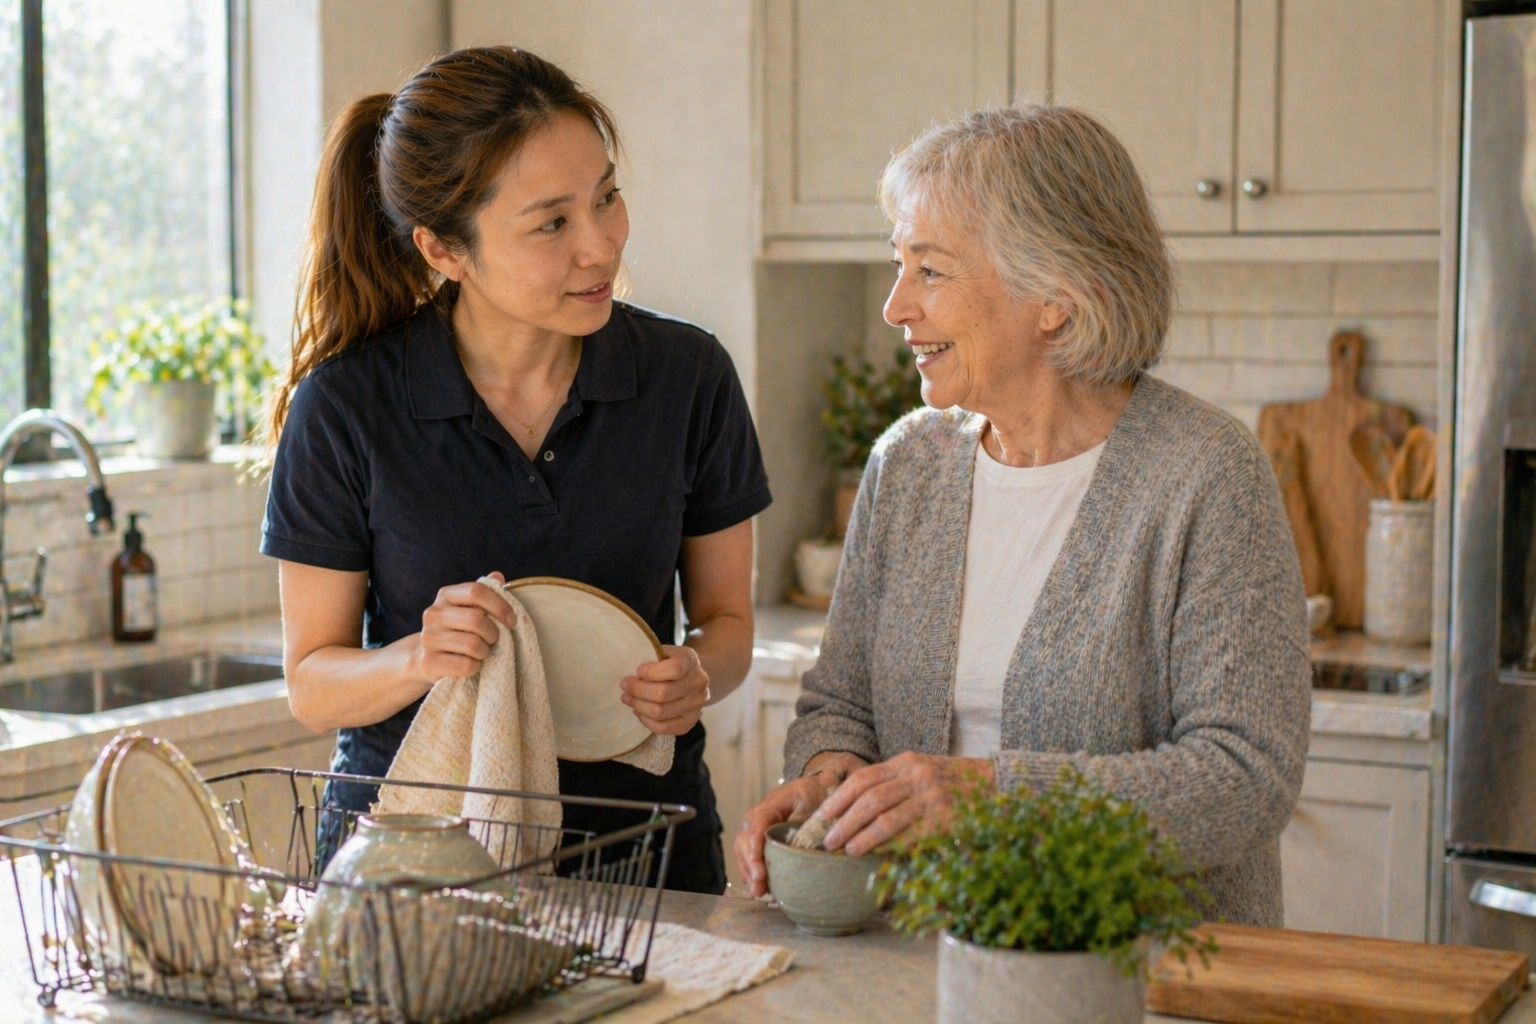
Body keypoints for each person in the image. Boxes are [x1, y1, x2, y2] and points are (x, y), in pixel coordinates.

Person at [735, 104, 1310, 926]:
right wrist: (829, 780)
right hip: (919, 958)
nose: (896, 306)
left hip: (1139, 968)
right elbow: (842, 705)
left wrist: (987, 797)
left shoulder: (1208, 474)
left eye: (930, 271)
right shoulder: (908, 464)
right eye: (898, 266)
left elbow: (1244, 778)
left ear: (1055, 299)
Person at [260, 46, 770, 894]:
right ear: (443, 250)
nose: (601, 245)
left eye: (606, 196)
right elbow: (312, 684)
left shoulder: (688, 377)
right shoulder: (347, 405)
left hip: (645, 859)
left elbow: (727, 623)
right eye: (552, 223)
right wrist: (419, 657)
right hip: (414, 860)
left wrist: (698, 673)